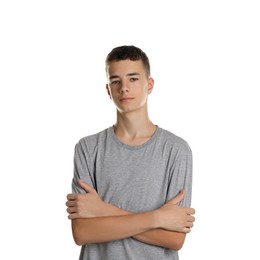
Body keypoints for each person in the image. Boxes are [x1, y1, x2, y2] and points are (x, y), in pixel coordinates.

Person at [66, 45, 195, 260]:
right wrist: (157, 218)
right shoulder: (87, 148)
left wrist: (102, 210)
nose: (124, 88)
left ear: (149, 84)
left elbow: (174, 239)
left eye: (133, 79)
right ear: (109, 90)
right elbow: (82, 233)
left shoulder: (176, 150)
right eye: (116, 81)